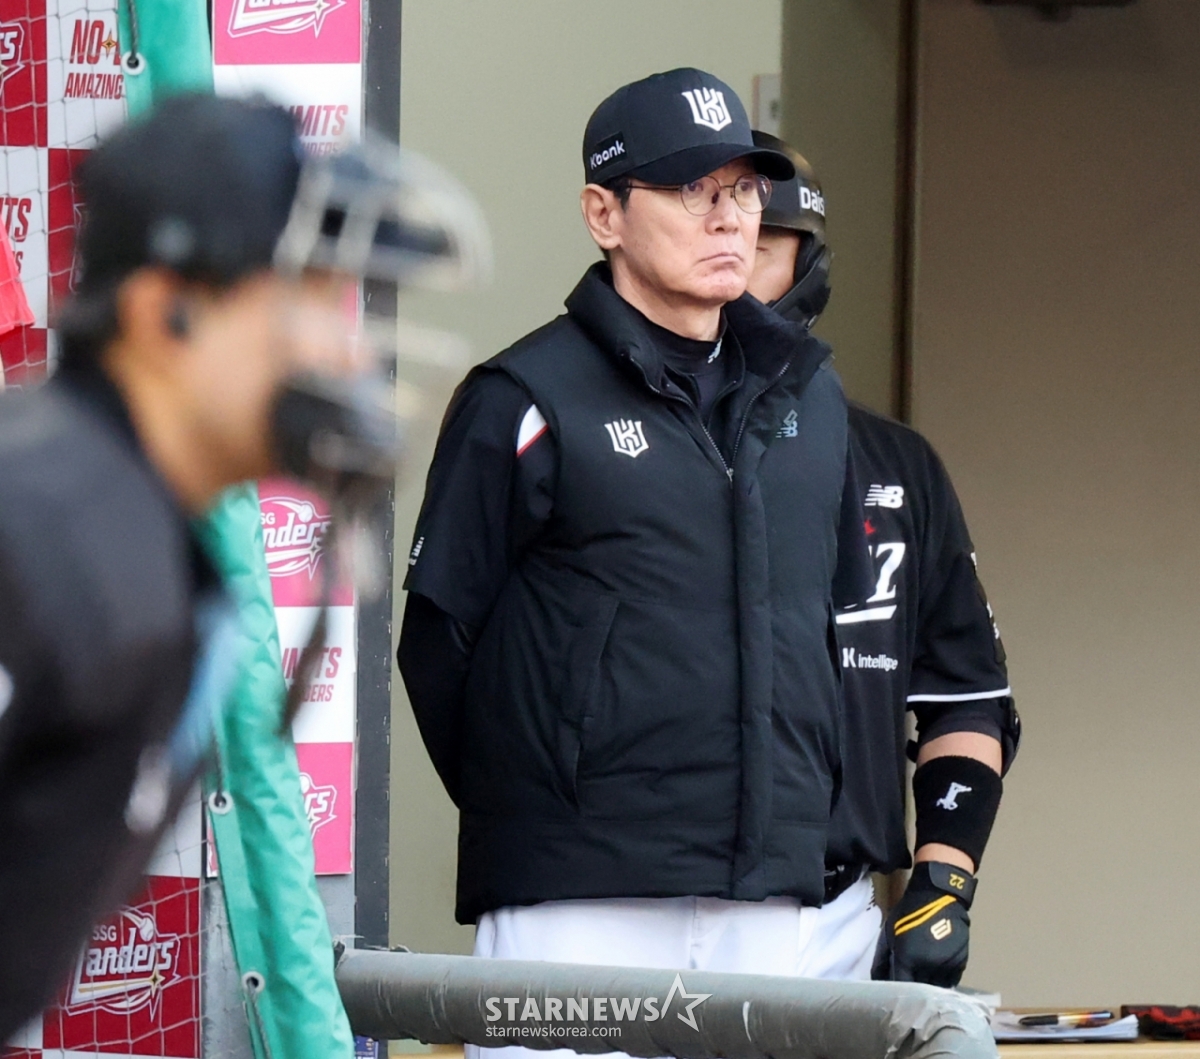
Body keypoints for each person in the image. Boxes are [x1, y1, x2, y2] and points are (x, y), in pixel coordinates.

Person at [399, 67, 876, 1029]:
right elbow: (439, 640)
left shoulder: (809, 397)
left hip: (766, 890)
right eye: (693, 189)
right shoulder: (523, 397)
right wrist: (550, 802)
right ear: (603, 214)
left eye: (744, 189)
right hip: (577, 897)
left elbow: (835, 628)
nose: (730, 217)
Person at [0, 94, 479, 1040]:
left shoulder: (137, 530)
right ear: (162, 312)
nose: (343, 347)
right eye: (299, 293)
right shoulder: (42, 524)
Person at [747, 130, 1021, 988]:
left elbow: (968, 699)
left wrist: (942, 881)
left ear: (807, 263)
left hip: (829, 917)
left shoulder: (895, 463)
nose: (727, 258)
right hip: (620, 905)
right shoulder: (595, 438)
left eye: (761, 243)